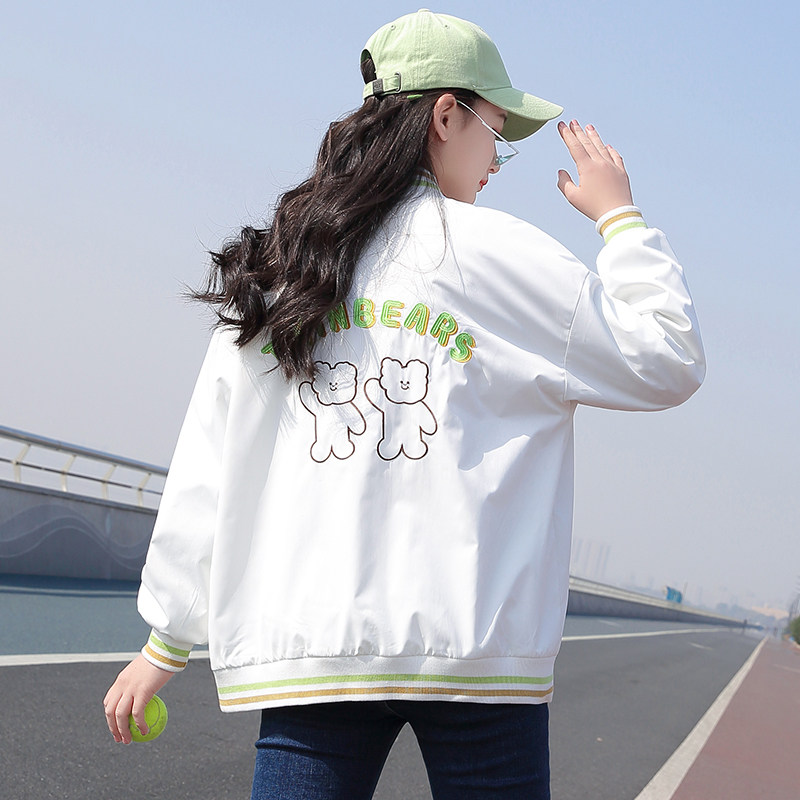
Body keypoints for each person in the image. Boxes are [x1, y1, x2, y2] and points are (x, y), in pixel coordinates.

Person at [103, 10, 705, 799]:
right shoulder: (505, 255)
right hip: (477, 656)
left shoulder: (292, 257)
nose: (496, 162)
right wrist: (619, 219)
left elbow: (212, 460)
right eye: (497, 135)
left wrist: (168, 637)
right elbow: (667, 356)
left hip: (314, 649)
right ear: (446, 116)